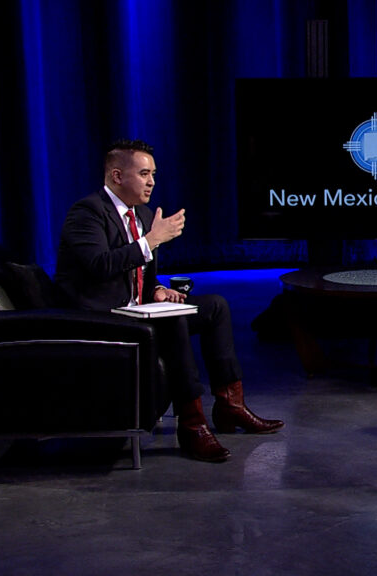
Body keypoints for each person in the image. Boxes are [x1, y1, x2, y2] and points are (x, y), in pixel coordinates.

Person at [54, 139, 283, 463]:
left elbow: (138, 274)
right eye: (144, 174)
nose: (152, 182)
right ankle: (192, 426)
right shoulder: (88, 213)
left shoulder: (144, 214)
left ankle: (230, 405)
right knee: (171, 319)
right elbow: (100, 265)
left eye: (154, 174)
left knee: (215, 305)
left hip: (134, 311)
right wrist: (151, 240)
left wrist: (156, 291)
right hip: (101, 317)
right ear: (117, 176)